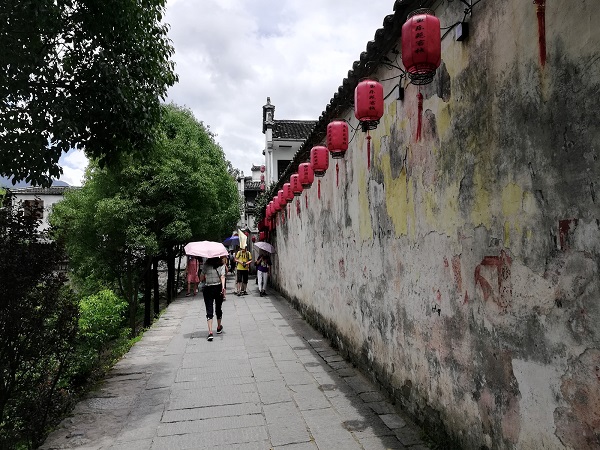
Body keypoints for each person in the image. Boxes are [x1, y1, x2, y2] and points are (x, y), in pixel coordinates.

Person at [199, 256, 226, 341]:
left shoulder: (206, 264)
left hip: (208, 288)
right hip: (218, 287)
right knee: (218, 307)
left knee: (209, 309)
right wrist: (223, 287)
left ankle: (210, 332)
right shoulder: (221, 264)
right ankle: (218, 327)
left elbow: (201, 277)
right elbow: (222, 276)